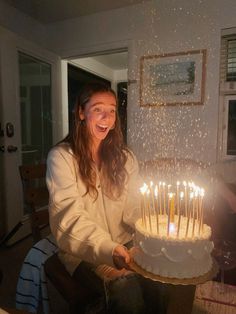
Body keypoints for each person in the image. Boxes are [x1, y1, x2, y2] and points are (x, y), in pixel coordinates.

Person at [46, 82, 167, 314]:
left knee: (161, 279)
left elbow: (134, 208)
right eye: (98, 109)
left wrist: (156, 231)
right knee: (127, 291)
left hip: (125, 242)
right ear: (81, 112)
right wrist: (109, 249)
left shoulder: (125, 158)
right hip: (82, 251)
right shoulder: (61, 157)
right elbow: (69, 218)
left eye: (112, 110)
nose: (107, 117)